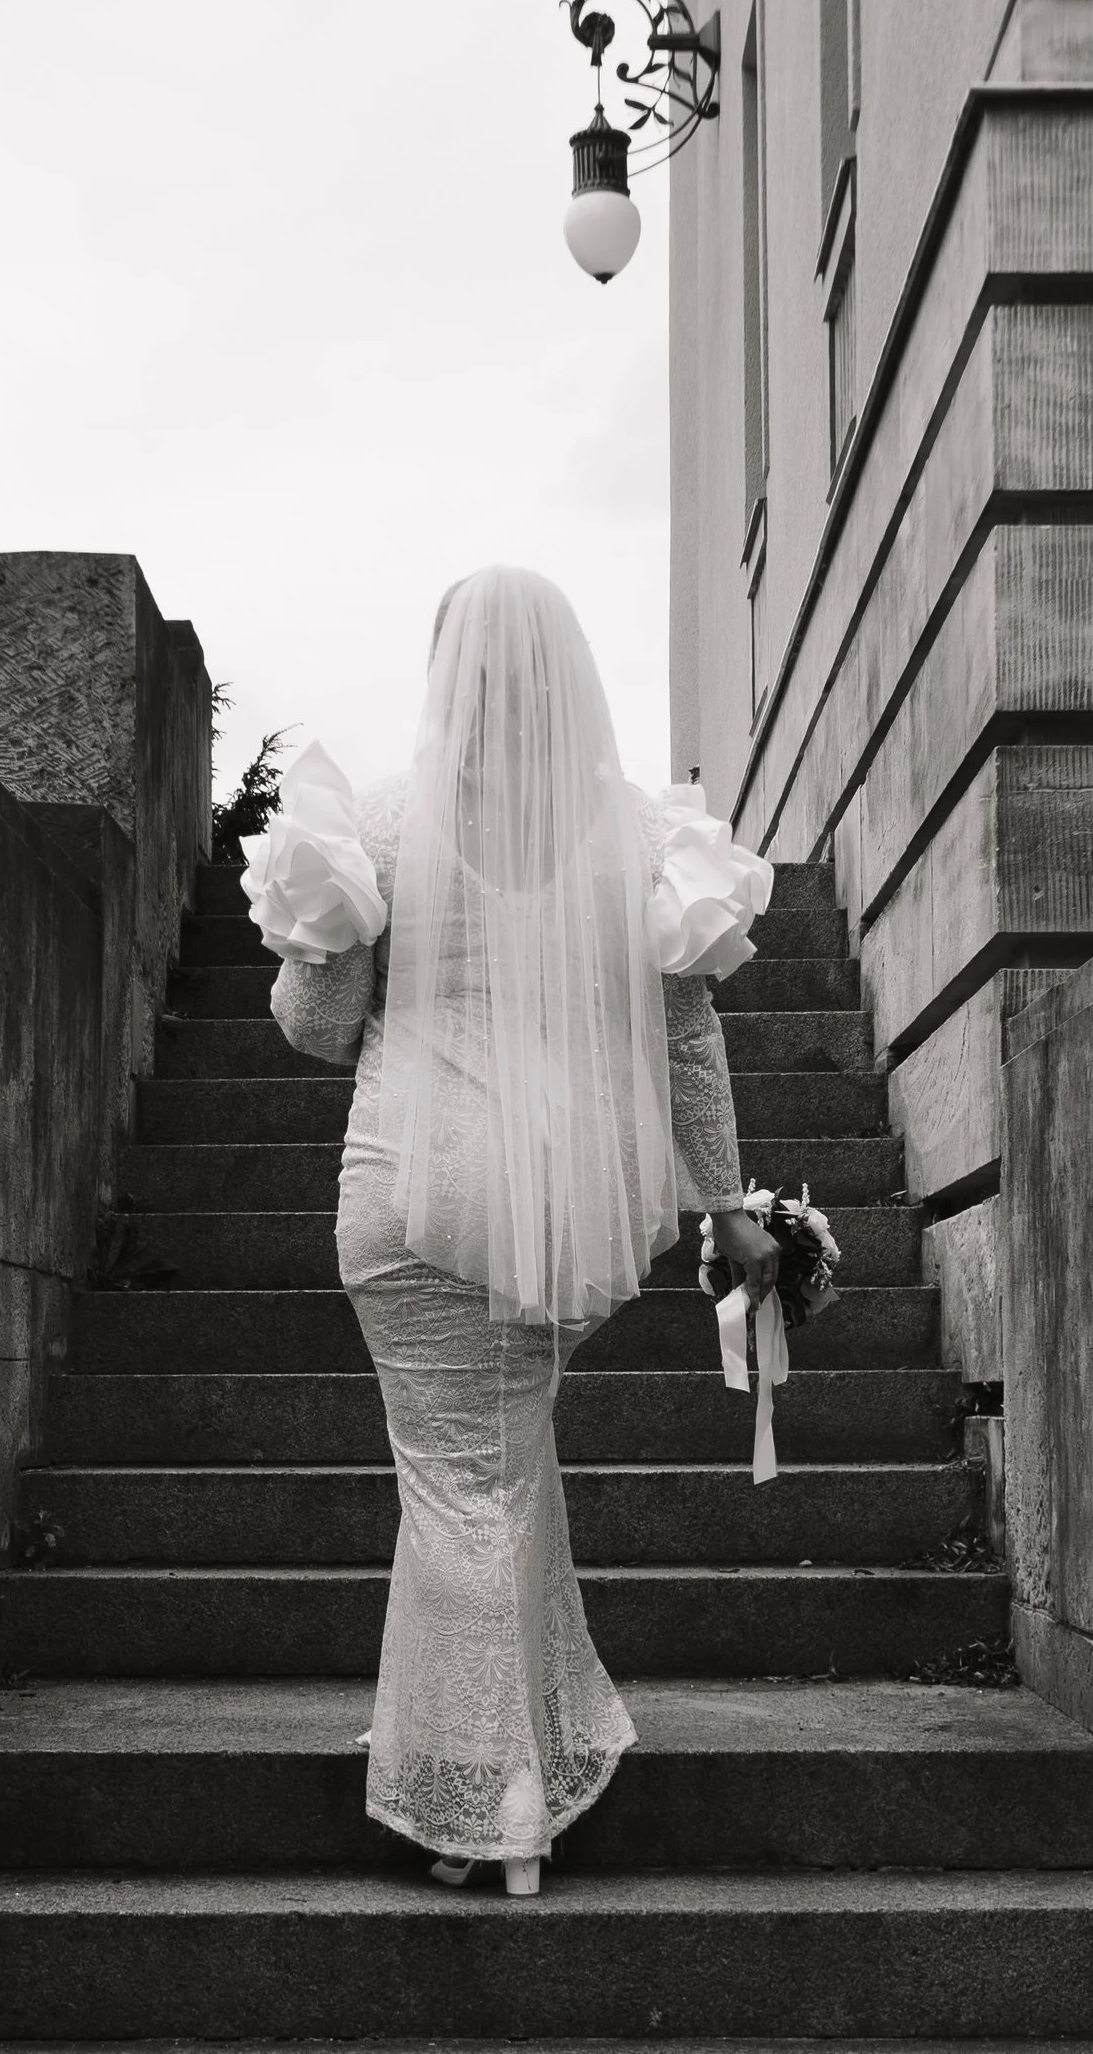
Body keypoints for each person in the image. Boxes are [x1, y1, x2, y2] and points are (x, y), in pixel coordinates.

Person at [245, 564, 778, 1894]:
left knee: (456, 1485)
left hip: (404, 1192)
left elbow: (317, 1029)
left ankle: (497, 1800)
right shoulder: (645, 838)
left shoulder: (377, 817)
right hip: (562, 1201)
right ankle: (513, 1740)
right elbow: (692, 1044)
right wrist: (727, 1202)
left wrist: (310, 960)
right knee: (503, 1466)